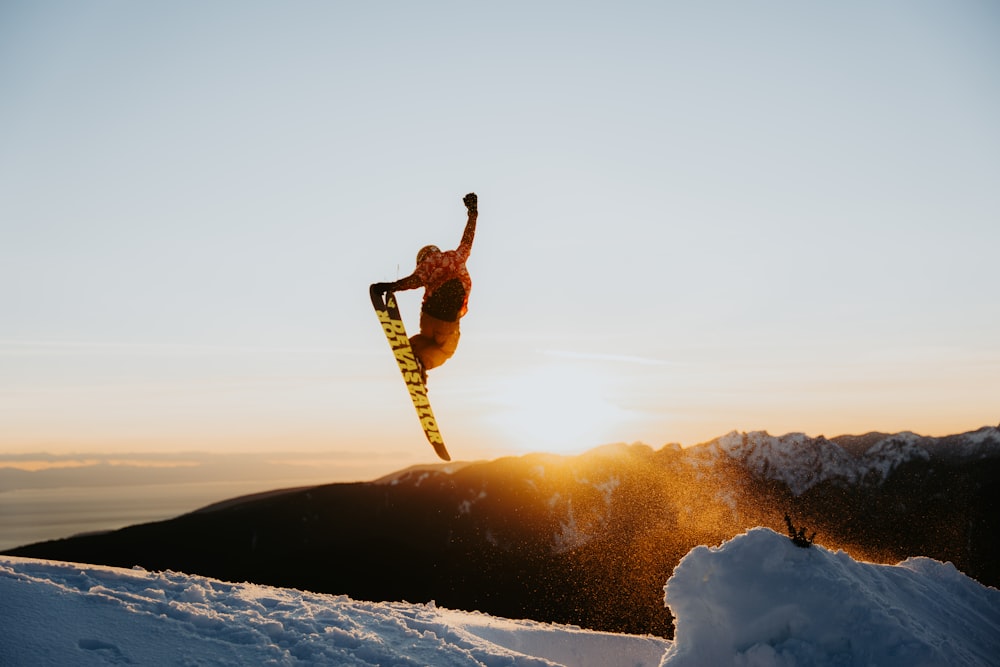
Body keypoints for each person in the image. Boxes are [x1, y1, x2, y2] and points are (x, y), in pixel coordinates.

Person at [371, 192, 478, 382]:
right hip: (448, 313)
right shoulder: (454, 256)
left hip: (429, 313)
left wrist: (390, 286)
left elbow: (413, 282)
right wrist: (473, 213)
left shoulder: (425, 266)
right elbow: (467, 240)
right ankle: (422, 363)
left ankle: (415, 356)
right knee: (445, 350)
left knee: (425, 340)